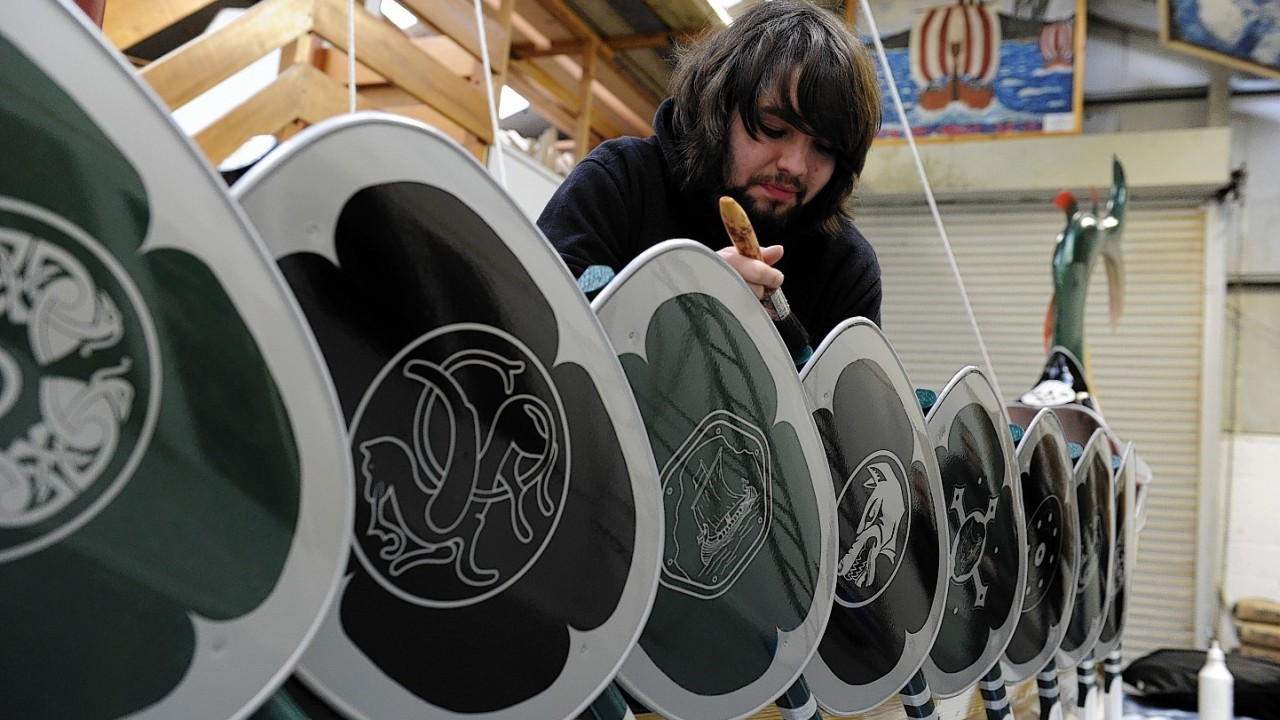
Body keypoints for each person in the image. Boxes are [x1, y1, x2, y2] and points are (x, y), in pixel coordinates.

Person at [537, 0, 884, 345]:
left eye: (823, 148)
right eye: (773, 128)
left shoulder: (847, 266)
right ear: (717, 108)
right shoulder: (620, 181)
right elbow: (538, 320)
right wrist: (682, 299)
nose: (794, 165)